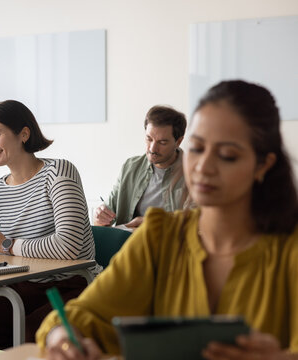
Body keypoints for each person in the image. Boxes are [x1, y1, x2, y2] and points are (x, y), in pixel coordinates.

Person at [37, 80, 298, 359]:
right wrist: (64, 337)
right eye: (198, 149)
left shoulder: (288, 248)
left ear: (263, 165)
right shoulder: (160, 236)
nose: (203, 166)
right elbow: (81, 316)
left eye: (227, 155)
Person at [0, 100, 102, 359]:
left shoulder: (59, 172)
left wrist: (4, 244)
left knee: (32, 335)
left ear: (24, 134)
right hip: (22, 286)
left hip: (73, 284)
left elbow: (69, 247)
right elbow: (12, 255)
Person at [94, 105, 187, 230]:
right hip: (128, 245)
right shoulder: (130, 167)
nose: (152, 148)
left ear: (178, 141)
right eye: (149, 139)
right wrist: (100, 216)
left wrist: (152, 221)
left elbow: (200, 219)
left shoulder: (194, 173)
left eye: (162, 142)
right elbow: (107, 214)